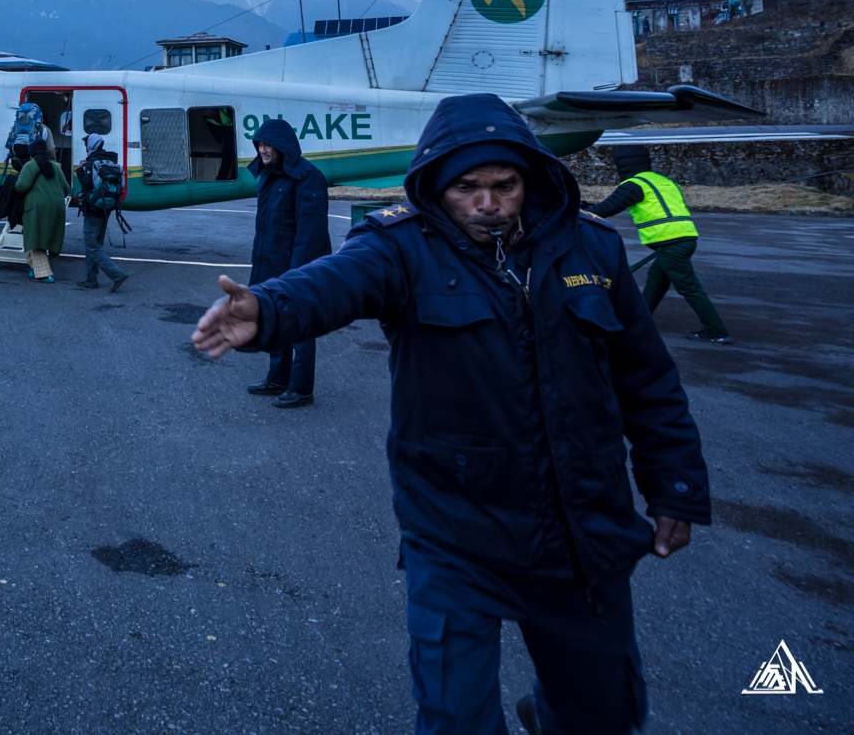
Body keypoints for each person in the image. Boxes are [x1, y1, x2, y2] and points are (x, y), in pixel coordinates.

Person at [192, 93, 709, 735]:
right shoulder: (401, 246)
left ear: (532, 180)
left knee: (604, 715)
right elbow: (339, 279)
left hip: (582, 530)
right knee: (454, 719)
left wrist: (676, 487)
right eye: (467, 187)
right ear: (437, 186)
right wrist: (269, 310)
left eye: (504, 185)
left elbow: (649, 379)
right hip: (454, 531)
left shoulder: (593, 252)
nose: (488, 203)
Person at [583, 145, 733, 344]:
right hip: (684, 239)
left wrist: (578, 212)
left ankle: (717, 330)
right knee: (656, 282)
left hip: (670, 244)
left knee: (689, 288)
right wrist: (586, 205)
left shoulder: (634, 185)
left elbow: (605, 210)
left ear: (621, 164)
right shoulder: (662, 181)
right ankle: (640, 320)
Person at [241, 118, 331, 408]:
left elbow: (310, 232)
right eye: (260, 144)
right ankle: (278, 378)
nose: (263, 150)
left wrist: (297, 274)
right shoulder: (268, 175)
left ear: (283, 146)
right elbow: (267, 228)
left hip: (298, 268)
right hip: (269, 264)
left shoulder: (308, 177)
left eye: (268, 145)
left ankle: (302, 389)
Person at [73, 132, 130, 292]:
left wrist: (80, 170)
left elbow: (86, 183)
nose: (85, 147)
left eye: (86, 144)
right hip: (106, 208)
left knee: (92, 245)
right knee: (95, 244)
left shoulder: (92, 162)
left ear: (90, 145)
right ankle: (90, 280)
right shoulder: (110, 160)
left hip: (93, 209)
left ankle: (117, 275)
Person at [13, 138, 68, 282]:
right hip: (57, 207)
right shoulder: (55, 167)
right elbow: (67, 189)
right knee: (43, 236)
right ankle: (33, 267)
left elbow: (21, 187)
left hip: (37, 206)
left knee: (35, 238)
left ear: (31, 154)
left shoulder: (30, 165)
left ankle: (45, 273)